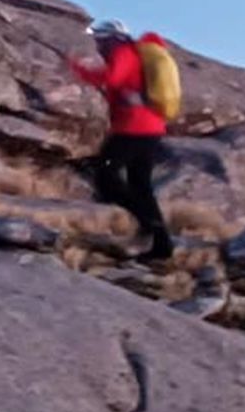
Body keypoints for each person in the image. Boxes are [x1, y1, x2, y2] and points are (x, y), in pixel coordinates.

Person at [71, 18, 175, 262]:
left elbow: (113, 79)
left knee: (105, 174)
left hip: (134, 128)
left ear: (110, 38)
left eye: (99, 39)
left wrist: (80, 69)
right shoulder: (129, 53)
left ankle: (145, 223)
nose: (97, 44)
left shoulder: (123, 52)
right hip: (149, 127)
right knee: (141, 185)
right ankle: (162, 245)